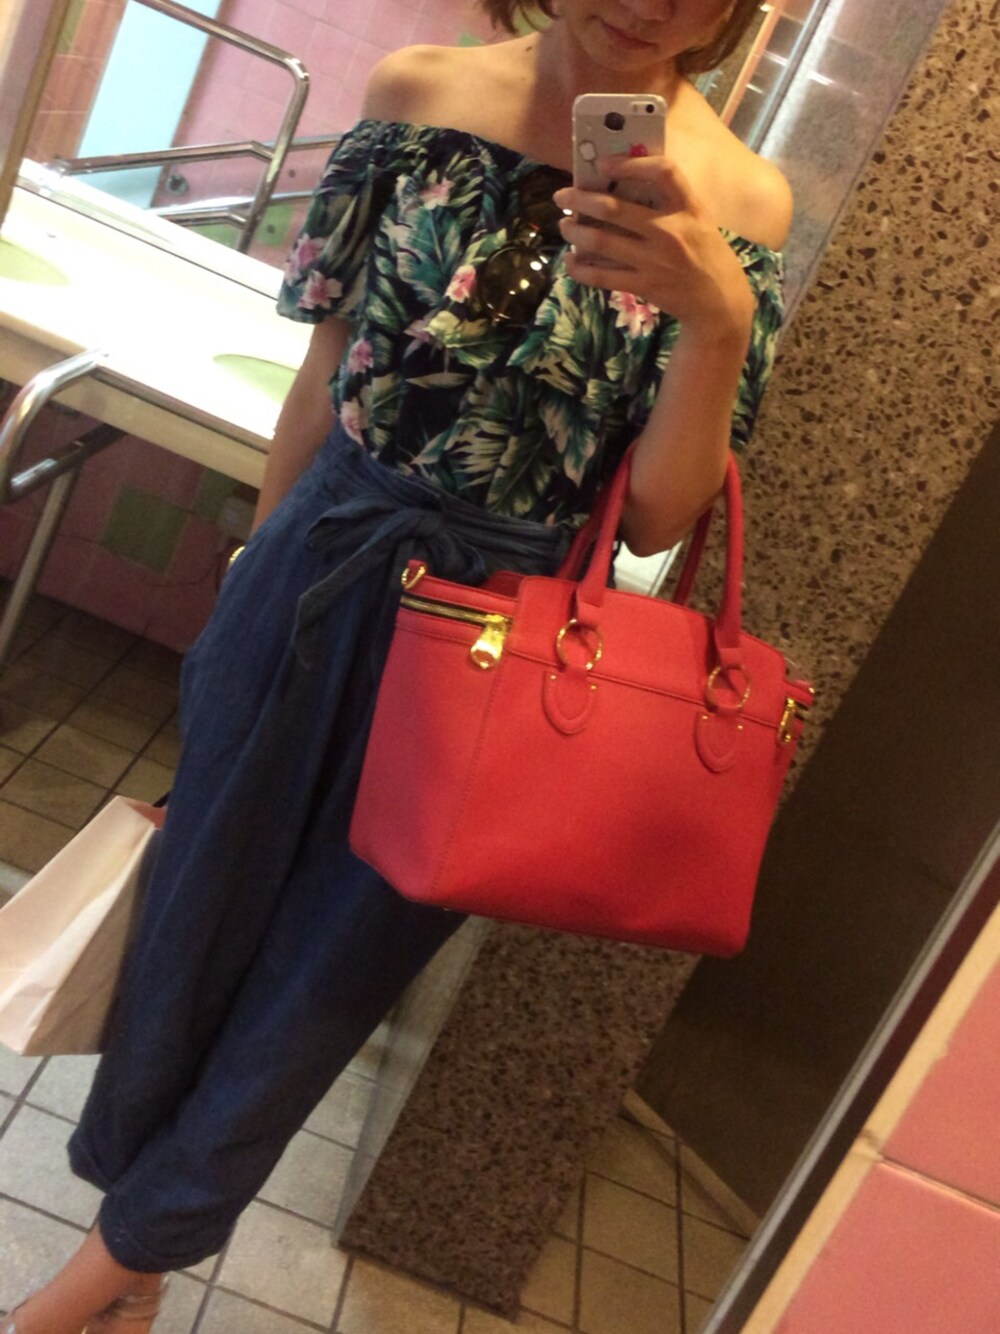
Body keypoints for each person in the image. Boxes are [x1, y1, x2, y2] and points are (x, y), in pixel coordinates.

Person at [4, 1, 790, 1329]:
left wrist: (713, 323)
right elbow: (325, 371)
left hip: (498, 628)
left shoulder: (742, 202)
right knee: (193, 907)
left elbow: (658, 518)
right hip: (321, 553)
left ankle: (100, 1274)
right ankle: (130, 1256)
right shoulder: (418, 93)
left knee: (333, 970)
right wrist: (252, 573)